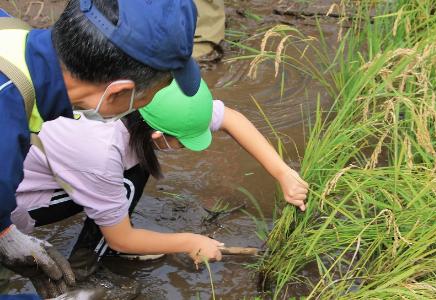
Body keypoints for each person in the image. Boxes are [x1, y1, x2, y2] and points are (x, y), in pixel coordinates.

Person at [11, 78, 309, 297]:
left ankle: (102, 246)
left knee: (134, 170)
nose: (185, 148)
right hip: (18, 201)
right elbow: (122, 239)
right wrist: (189, 241)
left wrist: (282, 172)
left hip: (52, 161)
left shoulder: (150, 94)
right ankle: (81, 274)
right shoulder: (101, 152)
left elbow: (232, 118)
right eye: (182, 141)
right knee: (126, 183)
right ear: (157, 136)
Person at [0, 0, 201, 297]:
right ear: (119, 91)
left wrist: (4, 231)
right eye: (148, 98)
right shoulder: (6, 131)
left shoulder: (12, 34)